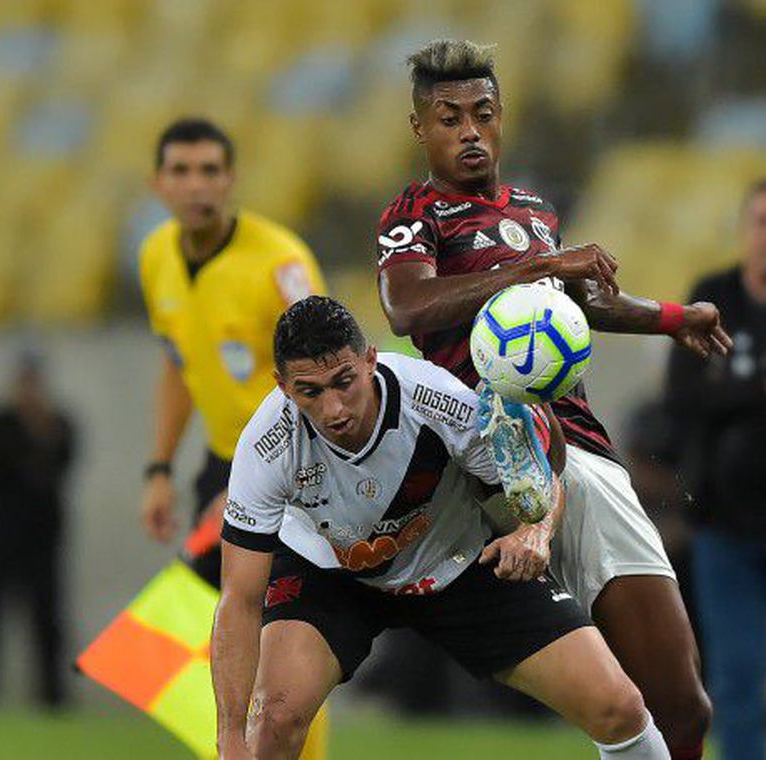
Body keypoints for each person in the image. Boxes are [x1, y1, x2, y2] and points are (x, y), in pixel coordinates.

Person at [374, 39, 728, 758]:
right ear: (421, 129)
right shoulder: (415, 214)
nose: (469, 131)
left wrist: (671, 317)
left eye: (483, 113)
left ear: (501, 117)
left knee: (683, 705)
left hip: (583, 453)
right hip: (485, 457)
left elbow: (576, 306)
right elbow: (407, 309)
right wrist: (536, 265)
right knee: (605, 701)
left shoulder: (533, 207)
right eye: (449, 119)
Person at [214, 295, 672, 759]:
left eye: (344, 381)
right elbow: (240, 598)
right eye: (310, 391)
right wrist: (230, 738)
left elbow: (539, 479)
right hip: (330, 573)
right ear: (282, 385)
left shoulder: (437, 400)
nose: (334, 410)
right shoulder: (266, 445)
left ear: (370, 359)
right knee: (271, 725)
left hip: (456, 561)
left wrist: (534, 531)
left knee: (620, 707)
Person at [138, 116, 326, 587]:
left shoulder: (281, 264)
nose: (195, 186)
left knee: (247, 620)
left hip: (296, 466)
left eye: (209, 170)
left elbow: (329, 381)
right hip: (222, 463)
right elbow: (179, 364)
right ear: (157, 183)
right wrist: (160, 468)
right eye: (180, 171)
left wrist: (259, 485)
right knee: (202, 622)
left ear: (230, 180)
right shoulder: (155, 256)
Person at [664, 179, 766, 760]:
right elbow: (684, 396)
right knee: (737, 674)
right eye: (760, 221)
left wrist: (735, 388)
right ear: (743, 229)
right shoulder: (713, 297)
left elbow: (711, 390)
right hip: (725, 529)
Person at [0, 351, 76, 708]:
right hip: (3, 535)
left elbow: (60, 468)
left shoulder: (58, 423)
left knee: (48, 621)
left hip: (44, 538)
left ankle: (53, 700)